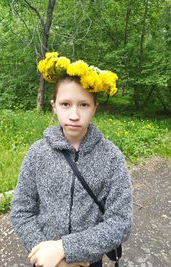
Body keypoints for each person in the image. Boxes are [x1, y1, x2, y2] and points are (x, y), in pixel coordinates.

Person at [10, 52, 133, 267]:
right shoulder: (37, 154)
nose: (74, 115)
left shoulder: (112, 157)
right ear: (54, 106)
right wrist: (49, 255)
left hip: (89, 262)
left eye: (83, 105)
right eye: (65, 104)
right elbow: (21, 210)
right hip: (45, 259)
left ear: (95, 108)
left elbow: (120, 221)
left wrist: (65, 249)